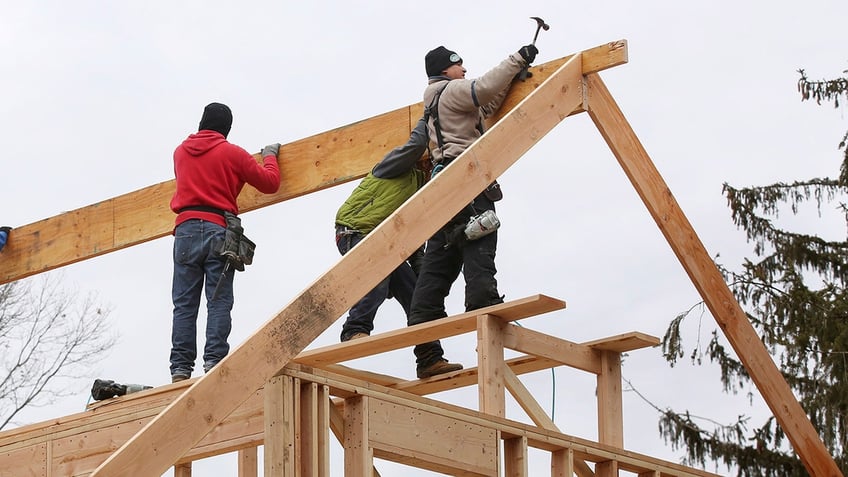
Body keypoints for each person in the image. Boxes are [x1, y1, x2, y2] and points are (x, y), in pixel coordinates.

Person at [407, 43, 538, 379]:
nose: (464, 69)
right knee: (480, 241)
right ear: (444, 69)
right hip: (465, 180)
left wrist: (512, 79)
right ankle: (485, 318)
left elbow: (488, 103)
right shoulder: (450, 90)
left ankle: (427, 356)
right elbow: (484, 87)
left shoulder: (437, 98)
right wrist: (517, 60)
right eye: (459, 65)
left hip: (442, 189)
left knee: (437, 265)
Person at [168, 102, 281, 383]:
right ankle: (214, 362)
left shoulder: (180, 152)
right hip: (219, 231)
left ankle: (180, 368)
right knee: (218, 301)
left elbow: (199, 179)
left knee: (184, 304)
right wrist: (269, 156)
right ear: (227, 130)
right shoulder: (232, 153)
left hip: (185, 230)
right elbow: (270, 183)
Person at [335, 117, 428, 342]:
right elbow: (416, 145)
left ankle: (429, 356)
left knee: (417, 298)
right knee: (377, 277)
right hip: (355, 231)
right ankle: (354, 329)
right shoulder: (395, 165)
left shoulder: (422, 190)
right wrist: (429, 116)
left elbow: (414, 240)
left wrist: (421, 275)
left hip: (387, 244)